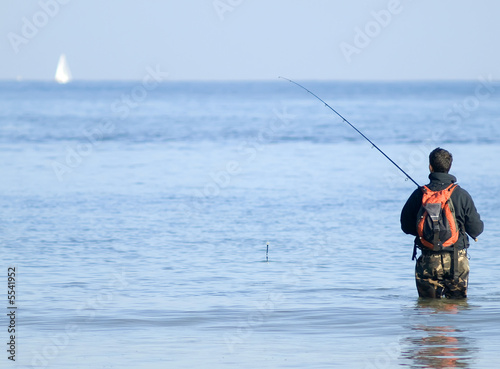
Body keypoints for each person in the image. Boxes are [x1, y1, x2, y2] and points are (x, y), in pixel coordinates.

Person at [401, 148, 483, 298]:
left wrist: (427, 232)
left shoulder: (420, 193)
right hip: (456, 261)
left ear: (430, 167)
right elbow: (477, 229)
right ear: (449, 166)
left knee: (428, 309)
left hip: (428, 259)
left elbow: (405, 226)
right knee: (456, 309)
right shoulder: (461, 194)